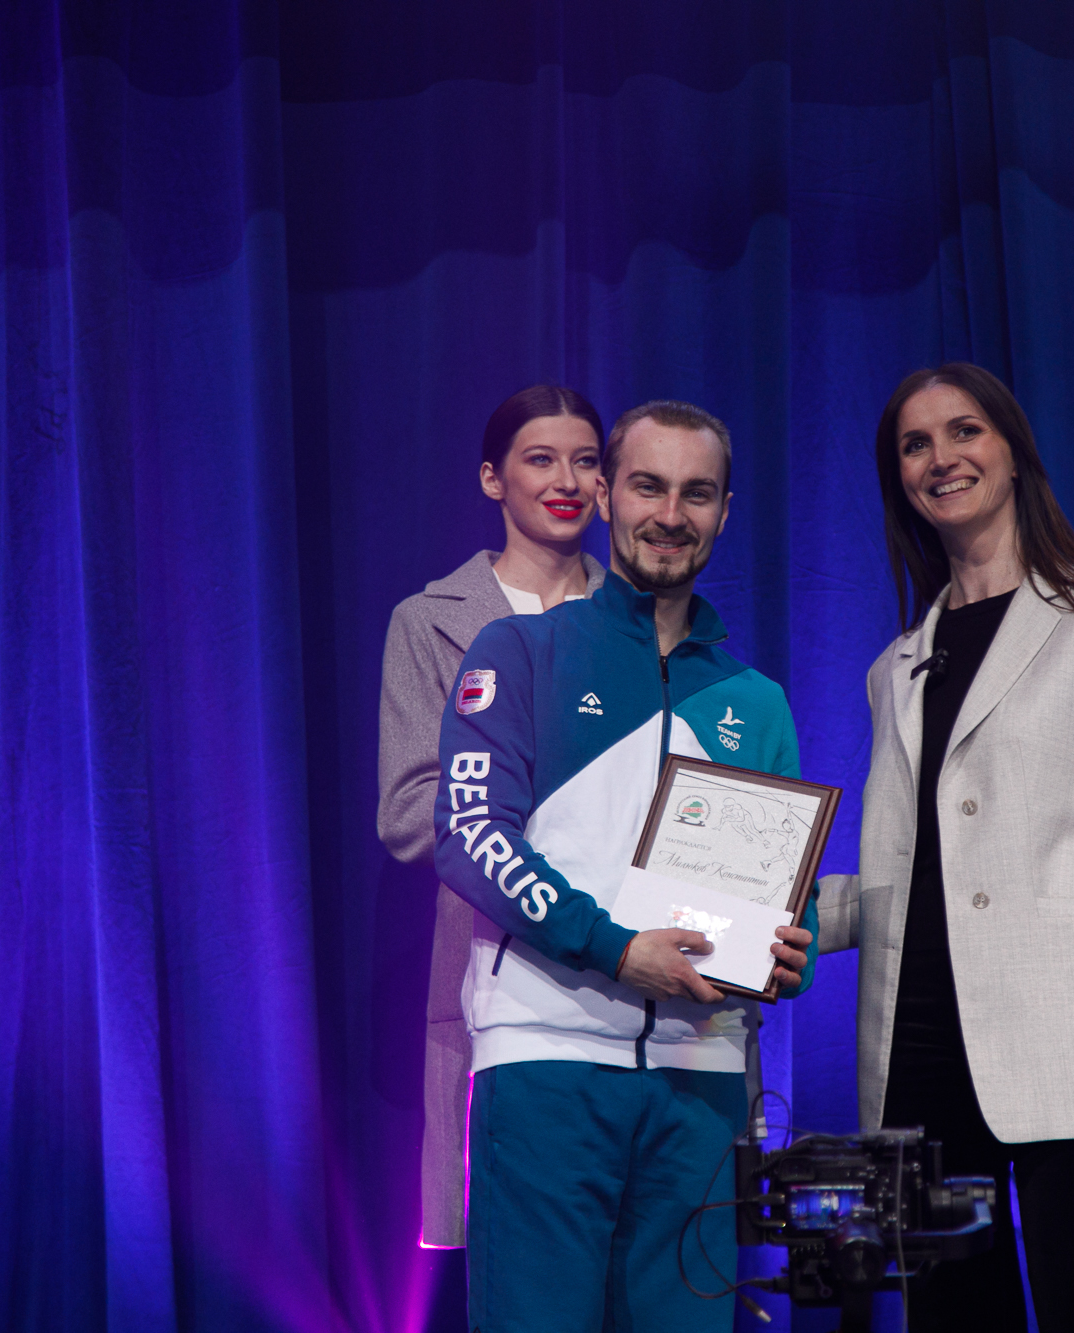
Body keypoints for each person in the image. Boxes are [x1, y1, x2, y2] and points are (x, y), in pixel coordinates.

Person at [817, 363, 1074, 1331]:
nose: (939, 457)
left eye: (964, 430)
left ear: (1013, 452)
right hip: (916, 1040)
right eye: (914, 444)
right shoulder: (893, 668)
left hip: (1069, 1034)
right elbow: (912, 875)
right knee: (950, 1312)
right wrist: (772, 913)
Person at [434, 399, 820, 1332]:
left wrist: (782, 958)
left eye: (697, 493)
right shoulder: (521, 651)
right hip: (548, 1063)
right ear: (607, 495)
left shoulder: (757, 699)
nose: (670, 515)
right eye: (649, 486)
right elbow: (472, 836)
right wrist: (615, 948)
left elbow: (777, 899)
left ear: (725, 511)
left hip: (702, 1077)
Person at [376, 383, 609, 1249]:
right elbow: (409, 813)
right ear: (491, 479)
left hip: (630, 975)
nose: (566, 481)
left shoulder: (644, 617)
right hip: (495, 976)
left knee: (642, 1248)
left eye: (586, 461)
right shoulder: (429, 622)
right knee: (522, 1262)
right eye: (540, 460)